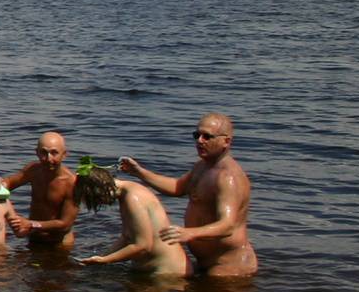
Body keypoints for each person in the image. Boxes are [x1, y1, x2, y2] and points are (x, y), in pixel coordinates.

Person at [119, 113, 257, 277]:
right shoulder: (202, 166)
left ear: (226, 141)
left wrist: (189, 233)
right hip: (205, 262)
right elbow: (178, 187)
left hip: (229, 267)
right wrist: (139, 172)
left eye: (207, 136)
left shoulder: (228, 178)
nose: (200, 141)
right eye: (196, 135)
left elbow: (228, 225)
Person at [72, 158, 188, 276]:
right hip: (154, 271)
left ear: (100, 190)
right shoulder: (126, 194)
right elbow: (127, 237)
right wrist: (101, 257)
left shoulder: (133, 198)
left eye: (97, 199)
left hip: (167, 273)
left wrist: (106, 260)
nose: (102, 203)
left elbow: (143, 246)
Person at [0, 130, 79, 249]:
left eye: (54, 153)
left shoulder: (71, 183)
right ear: (36, 152)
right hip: (33, 237)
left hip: (59, 244)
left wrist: (30, 224)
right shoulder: (33, 170)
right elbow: (9, 182)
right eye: (43, 152)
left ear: (64, 154)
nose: (48, 158)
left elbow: (65, 224)